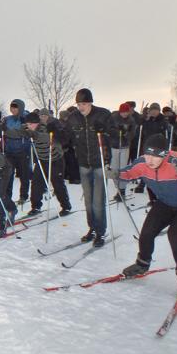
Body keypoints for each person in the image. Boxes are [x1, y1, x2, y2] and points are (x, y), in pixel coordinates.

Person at [111, 134, 177, 295]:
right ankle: (142, 263)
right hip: (166, 201)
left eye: (156, 156)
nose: (150, 160)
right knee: (147, 232)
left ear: (165, 154)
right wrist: (116, 173)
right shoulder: (142, 163)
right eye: (148, 154)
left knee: (175, 236)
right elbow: (129, 173)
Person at [65, 88, 112, 246]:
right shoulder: (73, 118)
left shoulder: (103, 114)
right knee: (88, 201)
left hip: (99, 163)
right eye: (78, 104)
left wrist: (104, 131)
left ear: (90, 102)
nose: (81, 107)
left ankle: (100, 232)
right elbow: (66, 136)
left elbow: (114, 134)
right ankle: (92, 228)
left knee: (98, 201)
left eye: (84, 104)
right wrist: (54, 133)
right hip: (84, 164)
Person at [5, 109, 72, 216]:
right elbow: (16, 133)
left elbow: (45, 138)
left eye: (31, 124)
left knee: (57, 183)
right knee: (36, 184)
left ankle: (66, 206)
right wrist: (5, 130)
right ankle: (36, 206)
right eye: (27, 124)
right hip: (42, 160)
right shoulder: (27, 129)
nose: (29, 126)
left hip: (55, 159)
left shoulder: (46, 128)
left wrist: (33, 134)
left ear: (37, 123)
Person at [0, 99, 31, 204]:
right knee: (8, 174)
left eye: (15, 107)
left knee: (24, 175)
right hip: (10, 151)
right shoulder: (8, 119)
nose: (13, 110)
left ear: (20, 108)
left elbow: (22, 133)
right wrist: (0, 125)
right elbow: (3, 132)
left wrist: (7, 131)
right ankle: (7, 196)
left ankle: (23, 196)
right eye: (11, 107)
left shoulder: (26, 119)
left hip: (23, 150)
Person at [134, 103, 168, 196]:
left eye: (156, 110)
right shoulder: (146, 120)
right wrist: (144, 119)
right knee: (145, 165)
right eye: (152, 110)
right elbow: (138, 128)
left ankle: (155, 186)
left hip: (158, 148)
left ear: (159, 111)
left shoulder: (162, 120)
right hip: (147, 146)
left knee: (156, 167)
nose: (154, 112)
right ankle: (142, 183)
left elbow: (167, 131)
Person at [108, 102, 137, 201]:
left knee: (123, 168)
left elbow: (133, 133)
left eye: (126, 112)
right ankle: (118, 188)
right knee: (115, 169)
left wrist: (126, 134)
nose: (125, 114)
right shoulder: (113, 118)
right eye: (123, 112)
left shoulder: (131, 120)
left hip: (124, 147)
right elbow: (109, 130)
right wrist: (118, 132)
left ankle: (122, 190)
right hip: (115, 146)